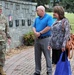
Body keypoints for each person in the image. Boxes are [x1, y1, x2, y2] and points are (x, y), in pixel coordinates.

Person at [32, 5, 53, 75]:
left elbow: (49, 27)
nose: (36, 12)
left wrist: (40, 32)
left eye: (37, 10)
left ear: (42, 11)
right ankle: (37, 71)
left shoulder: (49, 17)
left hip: (46, 39)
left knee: (47, 56)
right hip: (37, 39)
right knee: (37, 56)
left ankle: (49, 72)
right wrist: (35, 32)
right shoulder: (37, 18)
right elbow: (33, 26)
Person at [0, 4, 11, 75]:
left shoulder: (4, 18)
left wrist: (9, 37)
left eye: (0, 9)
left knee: (2, 55)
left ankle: (1, 69)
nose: (0, 11)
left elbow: (7, 28)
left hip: (2, 40)